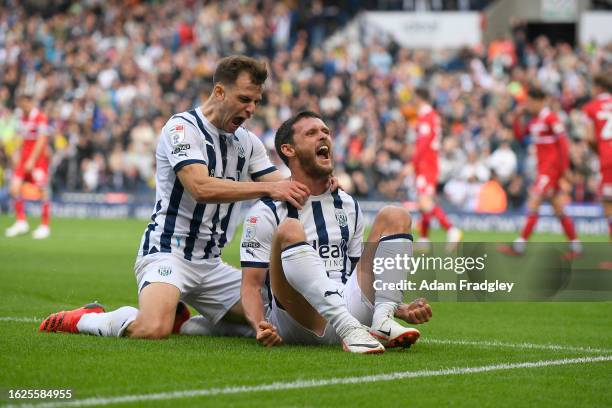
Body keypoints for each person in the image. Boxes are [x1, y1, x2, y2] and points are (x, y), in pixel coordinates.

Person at [39, 55, 313, 339]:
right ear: (219, 92)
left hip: (211, 264)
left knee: (276, 318)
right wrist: (269, 189)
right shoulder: (181, 128)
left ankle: (185, 323)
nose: (251, 109)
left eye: (256, 101)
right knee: (152, 328)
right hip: (168, 253)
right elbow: (201, 188)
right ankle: (88, 318)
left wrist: (318, 181)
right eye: (244, 99)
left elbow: (282, 186)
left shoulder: (247, 142)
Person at [239, 111, 432, 353]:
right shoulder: (265, 211)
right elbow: (251, 286)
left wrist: (397, 306)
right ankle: (349, 328)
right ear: (289, 150)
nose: (323, 137)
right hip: (299, 318)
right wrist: (259, 325)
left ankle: (383, 320)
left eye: (326, 132)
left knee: (396, 215)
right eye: (311, 133)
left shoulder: (348, 204)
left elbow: (356, 274)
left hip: (348, 303)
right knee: (290, 228)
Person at [501, 87, 581, 257]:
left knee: (534, 201)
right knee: (558, 207)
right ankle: (576, 247)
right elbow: (520, 137)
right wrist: (517, 117)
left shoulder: (550, 117)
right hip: (543, 169)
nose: (528, 105)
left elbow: (563, 143)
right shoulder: (534, 120)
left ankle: (519, 245)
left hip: (551, 169)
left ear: (540, 101)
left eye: (530, 101)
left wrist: (565, 168)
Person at [411, 87, 462, 248]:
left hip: (426, 163)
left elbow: (424, 143)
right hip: (431, 162)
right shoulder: (433, 116)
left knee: (425, 201)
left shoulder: (426, 116)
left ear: (419, 98)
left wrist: (413, 161)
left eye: (414, 98)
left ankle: (451, 230)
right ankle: (424, 239)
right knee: (423, 201)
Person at [5, 92, 52, 239]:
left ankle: (45, 226)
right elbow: (20, 137)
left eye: (24, 102)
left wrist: (32, 159)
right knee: (14, 188)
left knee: (42, 191)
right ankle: (21, 222)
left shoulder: (41, 117)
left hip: (37, 161)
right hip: (23, 160)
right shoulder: (22, 118)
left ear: (30, 102)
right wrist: (15, 153)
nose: (22, 105)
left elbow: (42, 140)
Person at [582, 72, 612, 240]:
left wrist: (600, 151)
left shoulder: (591, 108)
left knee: (609, 205)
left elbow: (589, 138)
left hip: (608, 160)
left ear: (599, 88)